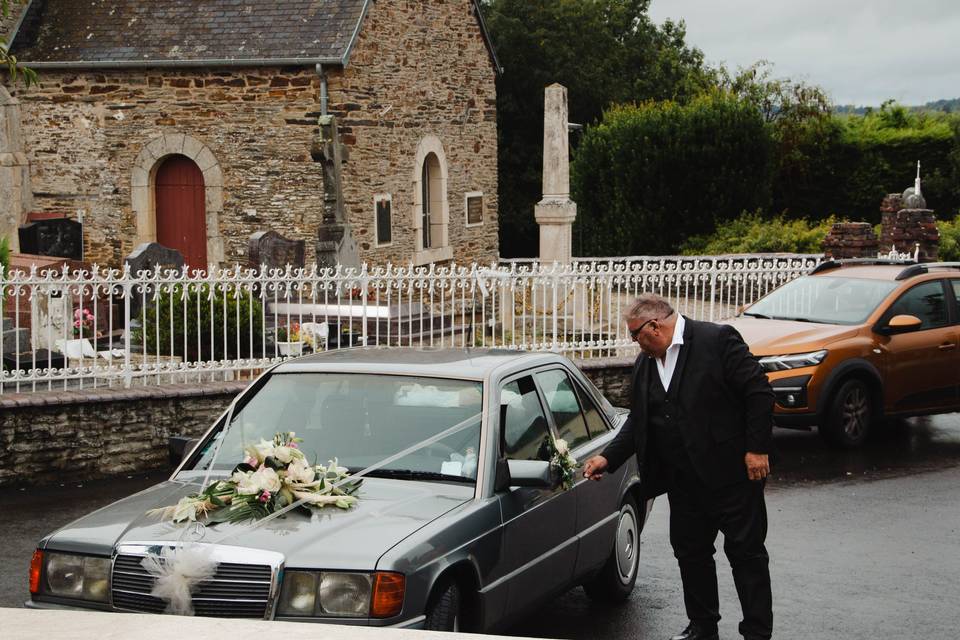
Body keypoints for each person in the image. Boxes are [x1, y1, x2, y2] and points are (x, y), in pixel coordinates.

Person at [583, 294, 775, 640]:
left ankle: (757, 633)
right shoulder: (645, 364)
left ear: (654, 326)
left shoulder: (717, 340)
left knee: (746, 556)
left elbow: (758, 391)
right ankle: (702, 627)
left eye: (634, 335)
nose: (634, 342)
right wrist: (608, 457)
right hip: (683, 483)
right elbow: (639, 420)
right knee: (691, 554)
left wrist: (757, 449)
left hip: (732, 477)